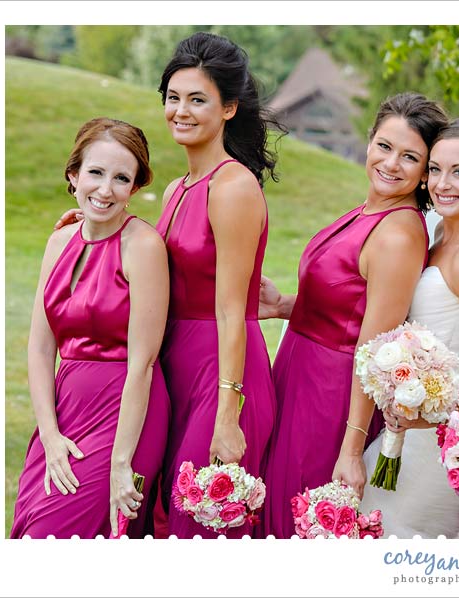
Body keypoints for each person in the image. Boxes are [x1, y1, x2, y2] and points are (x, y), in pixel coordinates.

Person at [257, 92, 448, 538]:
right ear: (369, 142)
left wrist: (350, 449)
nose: (391, 163)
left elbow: (373, 348)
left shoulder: (398, 234)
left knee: (296, 517)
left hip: (331, 396)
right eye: (385, 146)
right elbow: (349, 303)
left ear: (424, 172)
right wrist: (284, 304)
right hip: (298, 371)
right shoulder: (370, 211)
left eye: (410, 157)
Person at [12, 118, 170, 539]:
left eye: (121, 178)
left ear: (135, 188)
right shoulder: (59, 241)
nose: (105, 190)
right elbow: (42, 348)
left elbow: (144, 363)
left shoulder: (143, 246)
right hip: (64, 411)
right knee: (33, 525)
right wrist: (49, 434)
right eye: (95, 173)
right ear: (73, 174)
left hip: (125, 410)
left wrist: (121, 462)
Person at [360, 116, 459, 538]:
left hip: (439, 436)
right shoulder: (441, 230)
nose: (441, 183)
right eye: (435, 169)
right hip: (409, 424)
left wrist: (426, 419)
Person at [154, 32, 280, 538]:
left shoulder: (233, 187)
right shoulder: (174, 188)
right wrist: (90, 228)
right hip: (173, 366)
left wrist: (228, 415)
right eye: (173, 98)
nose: (181, 111)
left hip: (222, 371)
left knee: (200, 527)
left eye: (197, 100)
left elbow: (230, 310)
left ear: (228, 108)